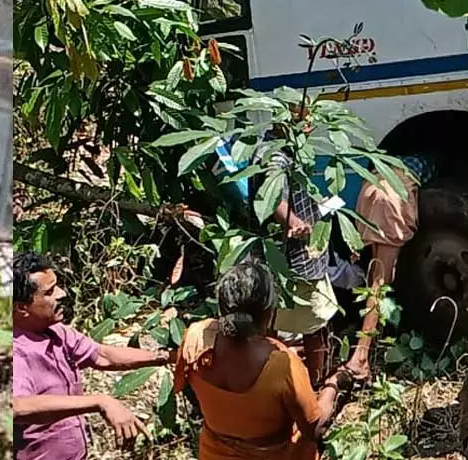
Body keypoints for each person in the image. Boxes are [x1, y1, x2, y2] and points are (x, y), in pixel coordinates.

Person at [175, 259, 351, 459]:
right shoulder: (282, 366)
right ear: (269, 312)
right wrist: (333, 385)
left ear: (222, 307)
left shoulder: (195, 339)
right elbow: (314, 427)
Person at [11, 251, 171, 460]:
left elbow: (102, 355)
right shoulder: (15, 351)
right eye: (49, 292)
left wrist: (166, 356)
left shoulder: (56, 331)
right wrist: (100, 401)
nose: (61, 294)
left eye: (57, 285)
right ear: (22, 307)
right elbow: (18, 406)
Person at [341, 155, 432, 381]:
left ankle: (368, 335)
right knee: (380, 281)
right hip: (390, 202)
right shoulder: (428, 164)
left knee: (375, 270)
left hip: (371, 190)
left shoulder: (390, 162)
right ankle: (361, 355)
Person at [264, 149, 339, 386]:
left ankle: (276, 380)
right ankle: (315, 385)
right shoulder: (275, 155)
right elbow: (273, 196)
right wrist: (294, 223)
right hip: (298, 261)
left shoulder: (296, 150)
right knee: (314, 324)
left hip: (295, 258)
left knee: (274, 322)